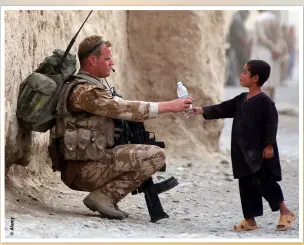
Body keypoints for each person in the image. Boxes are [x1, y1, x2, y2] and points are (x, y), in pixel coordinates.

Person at [55, 35, 193, 220]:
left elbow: (117, 105)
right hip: (83, 171)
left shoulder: (93, 87)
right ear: (93, 60)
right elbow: (121, 108)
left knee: (148, 150)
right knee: (155, 155)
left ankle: (106, 197)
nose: (112, 62)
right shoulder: (85, 91)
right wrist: (169, 106)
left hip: (89, 163)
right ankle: (103, 197)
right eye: (107, 58)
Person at [192, 60, 296, 231]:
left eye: (244, 72)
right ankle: (250, 220)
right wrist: (201, 110)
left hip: (259, 152)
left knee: (264, 182)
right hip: (241, 152)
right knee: (245, 185)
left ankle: (286, 211)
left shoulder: (265, 102)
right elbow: (223, 108)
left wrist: (269, 145)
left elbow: (272, 124)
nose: (240, 75)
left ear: (255, 78)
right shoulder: (241, 99)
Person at [250, 10, 284, 101]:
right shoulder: (275, 18)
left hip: (262, 51)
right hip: (274, 53)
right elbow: (279, 36)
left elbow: (262, 37)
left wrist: (272, 47)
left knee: (262, 80)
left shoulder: (258, 19)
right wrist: (276, 48)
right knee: (272, 80)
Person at [226, 10, 251, 86]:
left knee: (237, 64)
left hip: (237, 47)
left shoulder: (237, 20)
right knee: (240, 63)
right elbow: (240, 37)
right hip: (238, 47)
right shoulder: (237, 21)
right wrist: (246, 45)